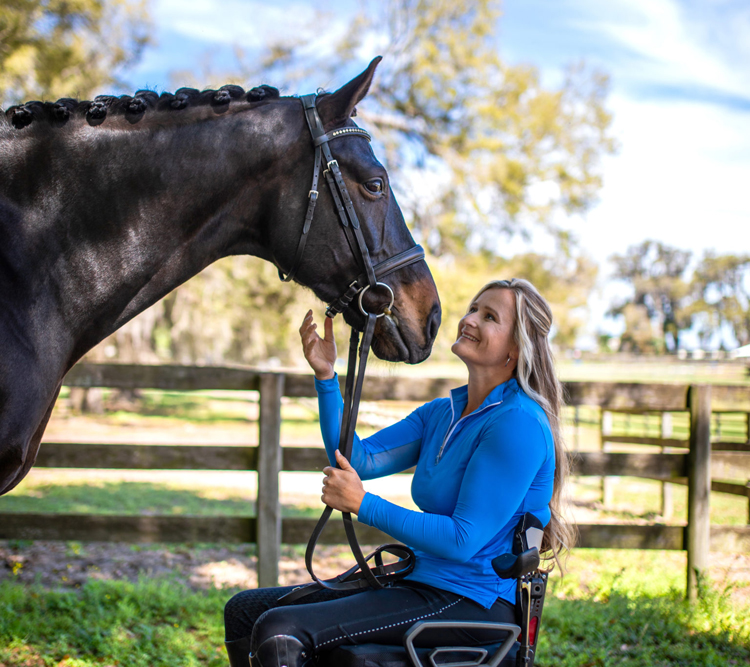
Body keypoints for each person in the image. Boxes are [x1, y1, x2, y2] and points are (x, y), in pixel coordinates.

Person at [223, 278, 573, 667]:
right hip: (421, 580)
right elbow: (358, 458)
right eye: (473, 308)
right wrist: (326, 377)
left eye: (489, 316)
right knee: (244, 610)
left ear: (515, 346)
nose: (469, 319)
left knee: (281, 629)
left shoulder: (517, 424)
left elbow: (462, 540)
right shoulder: (443, 413)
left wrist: (362, 503)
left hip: (472, 598)